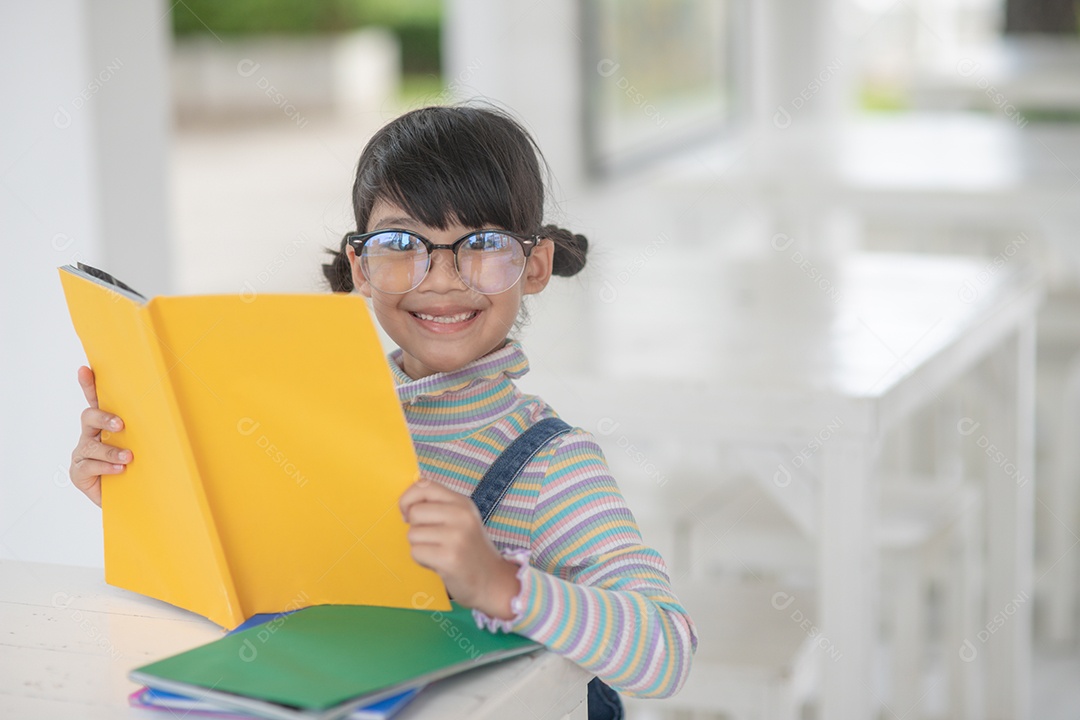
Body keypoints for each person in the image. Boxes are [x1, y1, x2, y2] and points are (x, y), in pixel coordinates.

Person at [69, 104, 697, 717]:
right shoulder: (311, 428)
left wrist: (498, 583)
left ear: (532, 266)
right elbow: (264, 581)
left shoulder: (552, 463)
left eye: (482, 243)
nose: (442, 279)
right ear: (361, 268)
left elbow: (667, 651)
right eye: (402, 244)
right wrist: (148, 492)